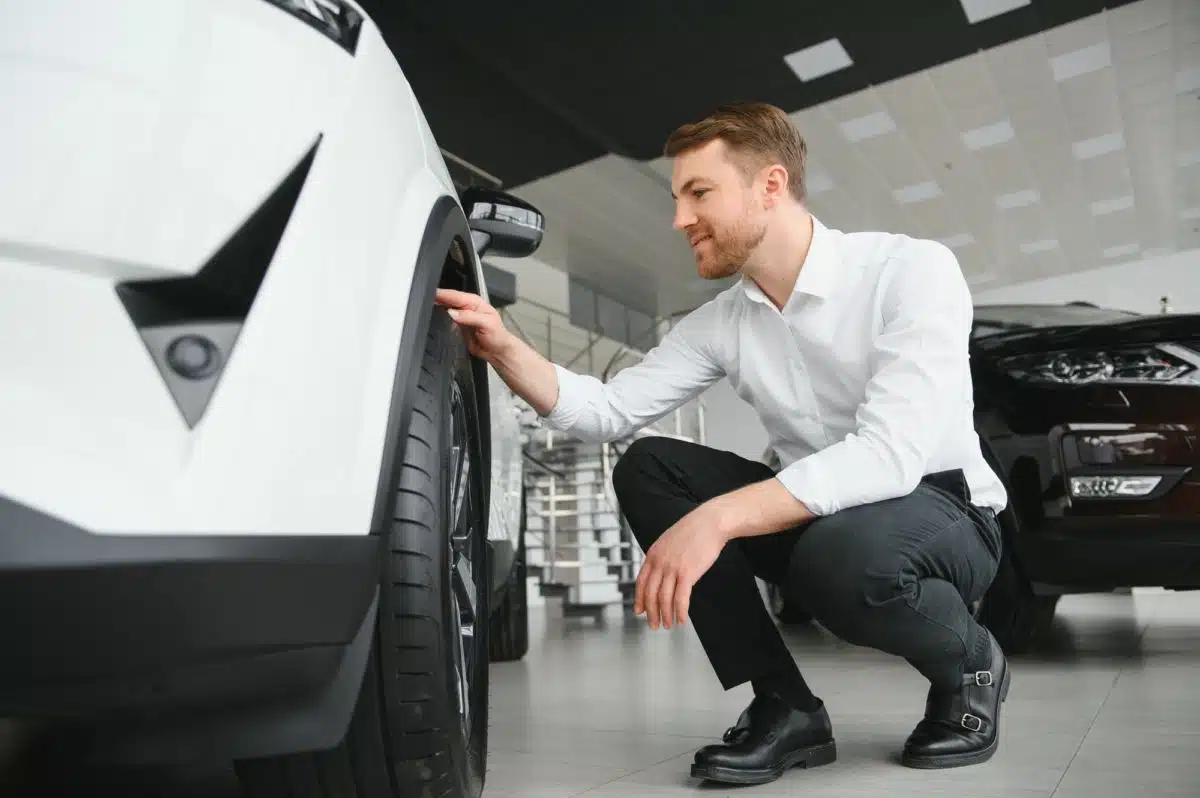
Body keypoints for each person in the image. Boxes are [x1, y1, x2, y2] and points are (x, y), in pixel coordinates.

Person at [437, 101, 1011, 786]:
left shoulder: (910, 270)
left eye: (698, 193)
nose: (680, 219)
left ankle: (973, 662)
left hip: (945, 510)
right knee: (652, 468)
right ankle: (785, 707)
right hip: (824, 517)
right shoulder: (722, 322)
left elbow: (890, 456)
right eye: (679, 197)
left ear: (770, 186)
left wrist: (715, 519)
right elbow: (611, 408)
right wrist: (503, 346)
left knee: (844, 557)